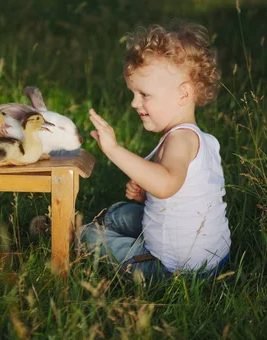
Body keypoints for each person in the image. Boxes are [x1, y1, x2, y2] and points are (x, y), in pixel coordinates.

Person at [82, 22, 231, 281]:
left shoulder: (181, 139)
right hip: (212, 259)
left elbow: (166, 185)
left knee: (89, 237)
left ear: (183, 94)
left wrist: (114, 149)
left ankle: (67, 232)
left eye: (144, 94)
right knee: (119, 213)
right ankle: (106, 228)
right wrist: (146, 193)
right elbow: (179, 194)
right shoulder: (198, 138)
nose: (134, 102)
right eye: (133, 93)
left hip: (175, 269)